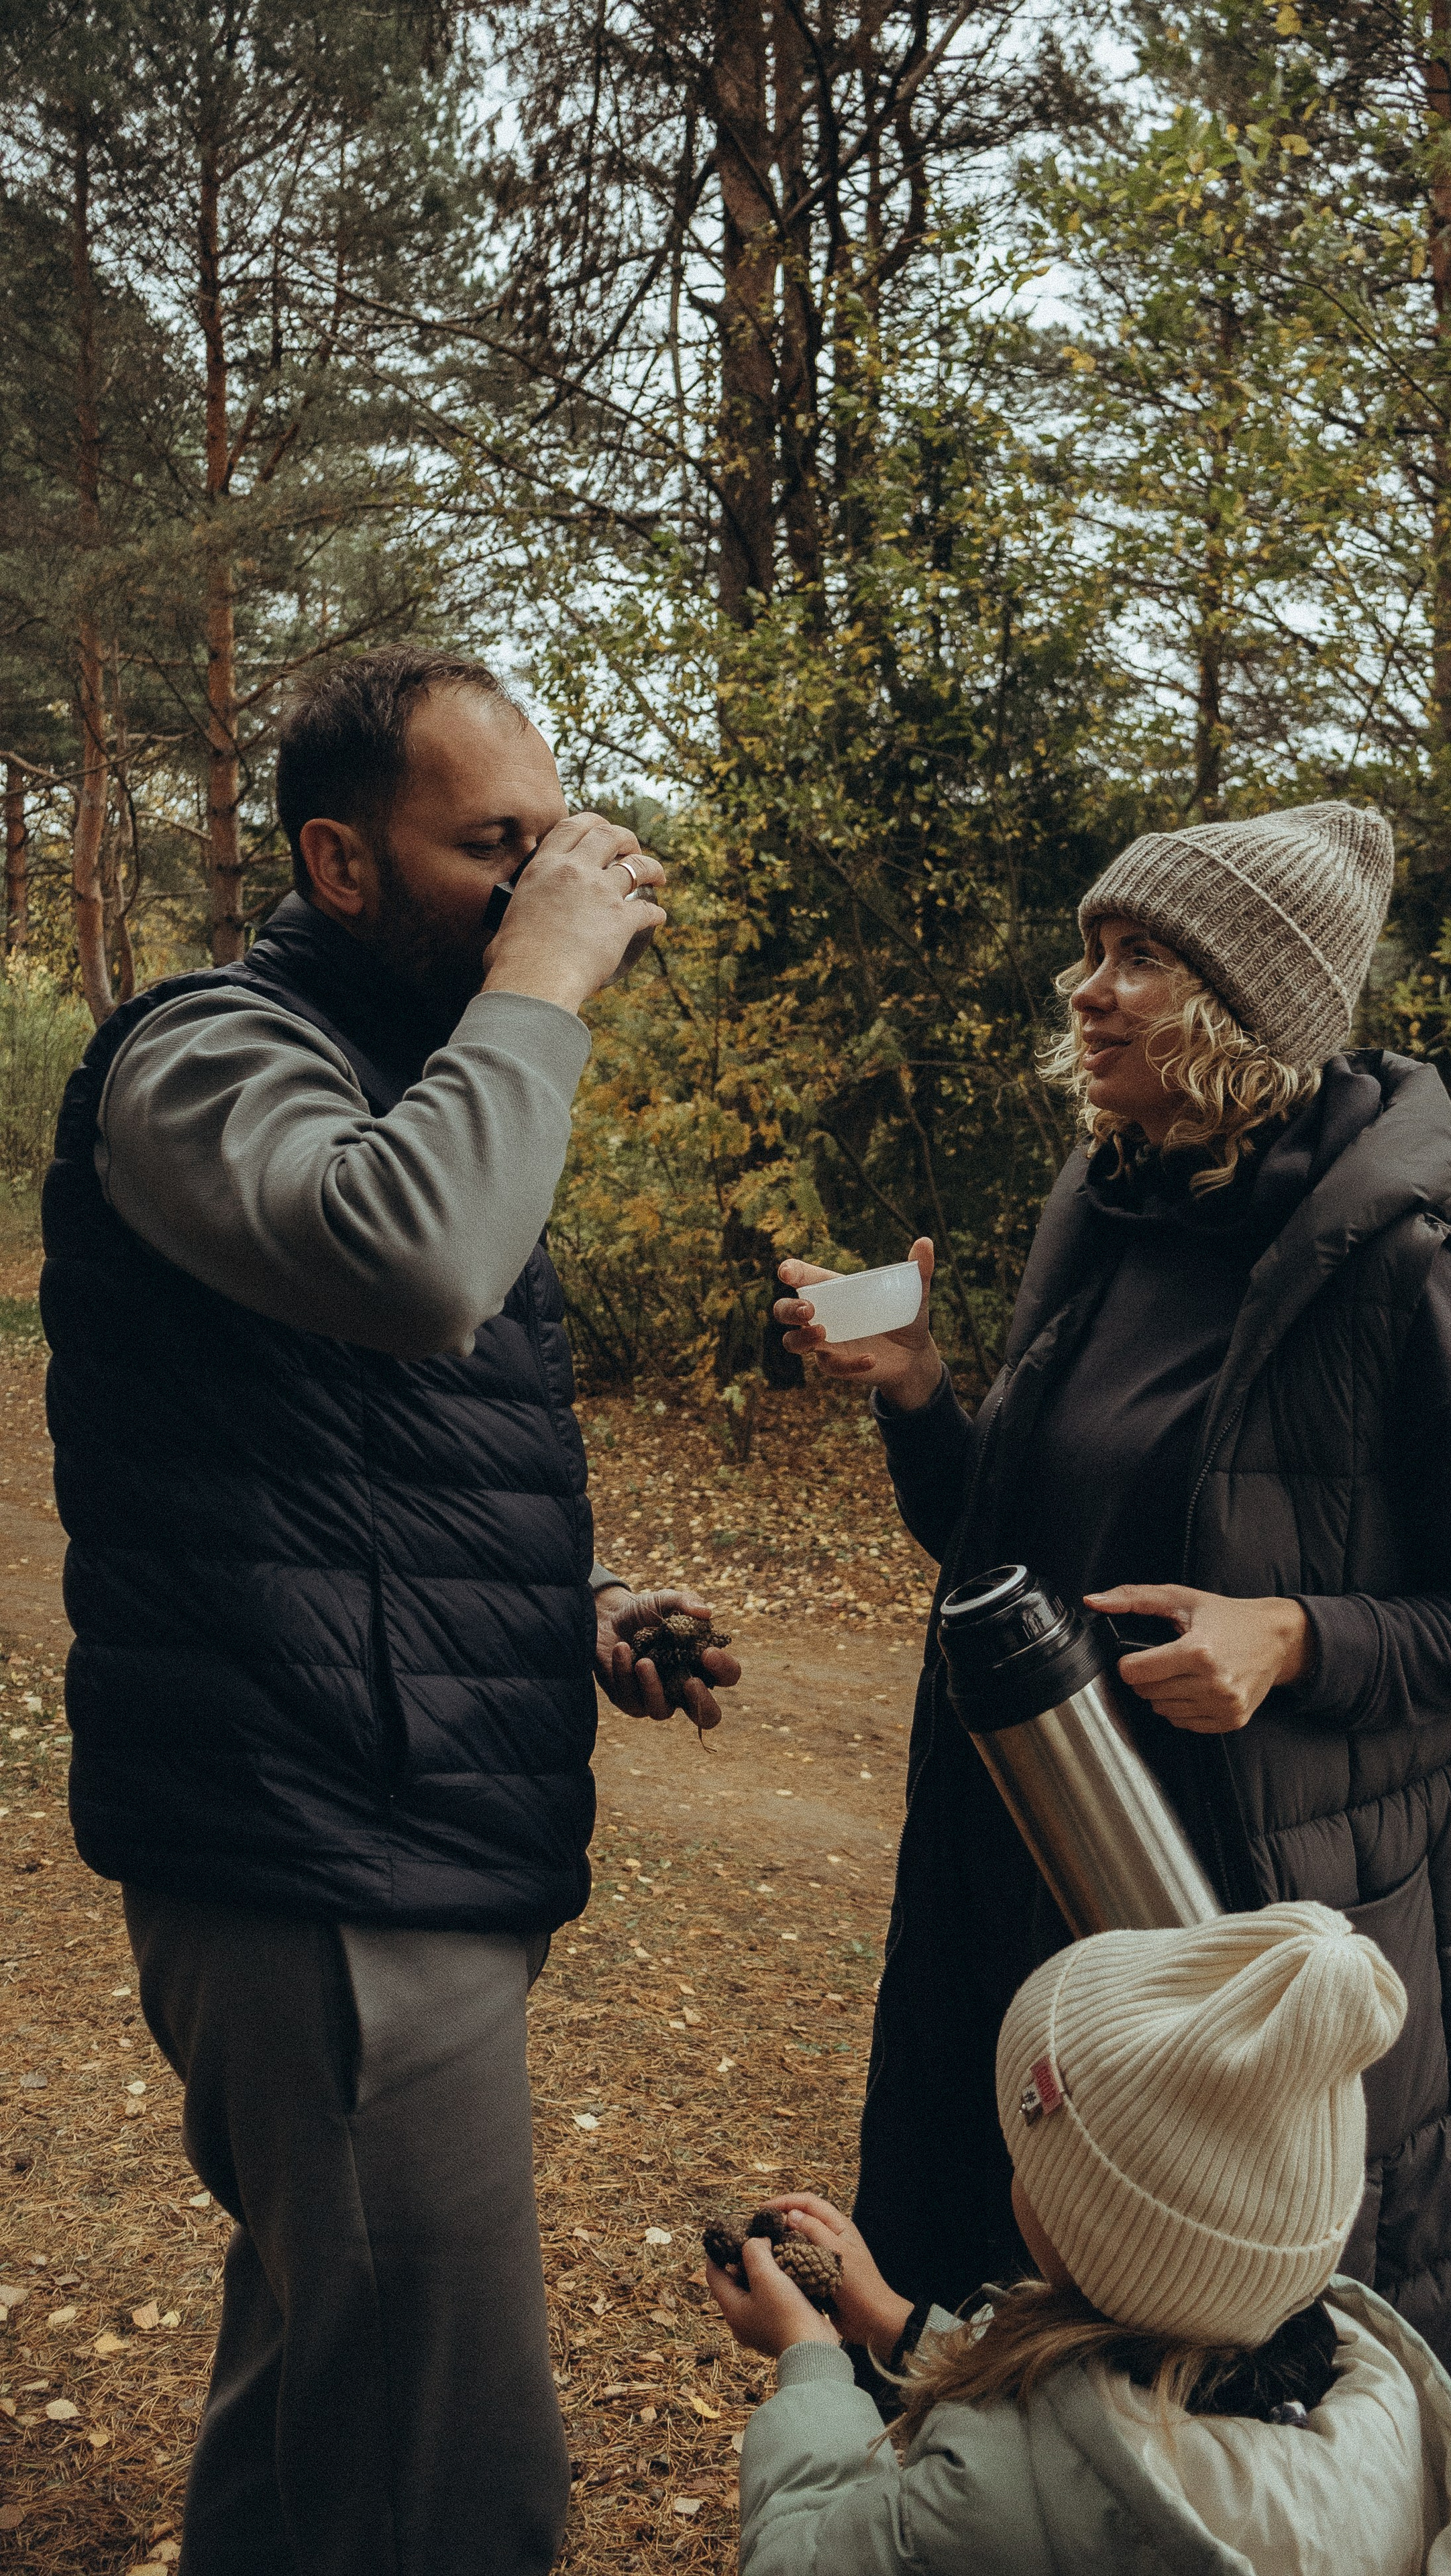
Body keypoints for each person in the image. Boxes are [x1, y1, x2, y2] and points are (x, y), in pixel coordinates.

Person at [775, 803, 1451, 2525]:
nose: (1088, 988)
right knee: (1011, 2373)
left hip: (1238, 1944)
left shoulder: (1396, 1267)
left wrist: (1289, 1636)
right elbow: (1013, 1564)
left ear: (1245, 1004)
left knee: (1205, 2441)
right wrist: (921, 1392)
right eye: (1095, 948)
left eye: (1140, 957)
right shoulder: (1107, 1201)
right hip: (1032, 1890)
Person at [39, 649, 740, 2576]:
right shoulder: (204, 1058)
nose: (541, 885)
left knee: (326, 2418)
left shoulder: (414, 1083)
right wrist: (545, 980)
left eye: (550, 838)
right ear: (339, 866)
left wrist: (569, 1606)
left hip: (388, 1821)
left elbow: (346, 1446)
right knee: (450, 2487)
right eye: (489, 847)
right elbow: (417, 1266)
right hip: (315, 1857)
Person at [707, 1905, 1451, 2576]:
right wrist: (894, 2323)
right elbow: (1091, 2423)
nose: (1018, 2177)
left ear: (1097, 2233)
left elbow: (798, 2558)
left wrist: (809, 2359)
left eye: (1034, 2164)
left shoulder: (989, 2491)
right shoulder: (1364, 2400)